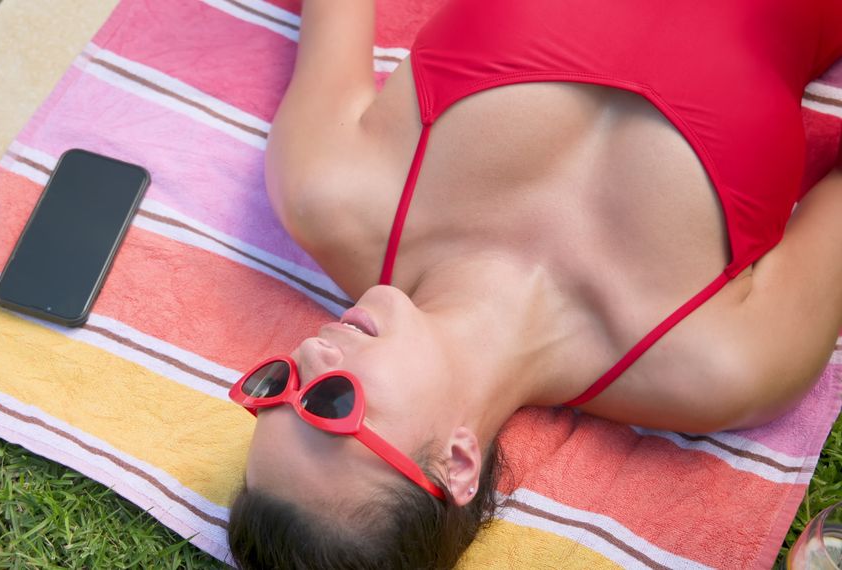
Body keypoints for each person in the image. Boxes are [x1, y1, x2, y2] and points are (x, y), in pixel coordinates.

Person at [226, 0, 842, 568]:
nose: (308, 352)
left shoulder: (328, 193)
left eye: (277, 385)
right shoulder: (720, 365)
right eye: (330, 402)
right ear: (457, 461)